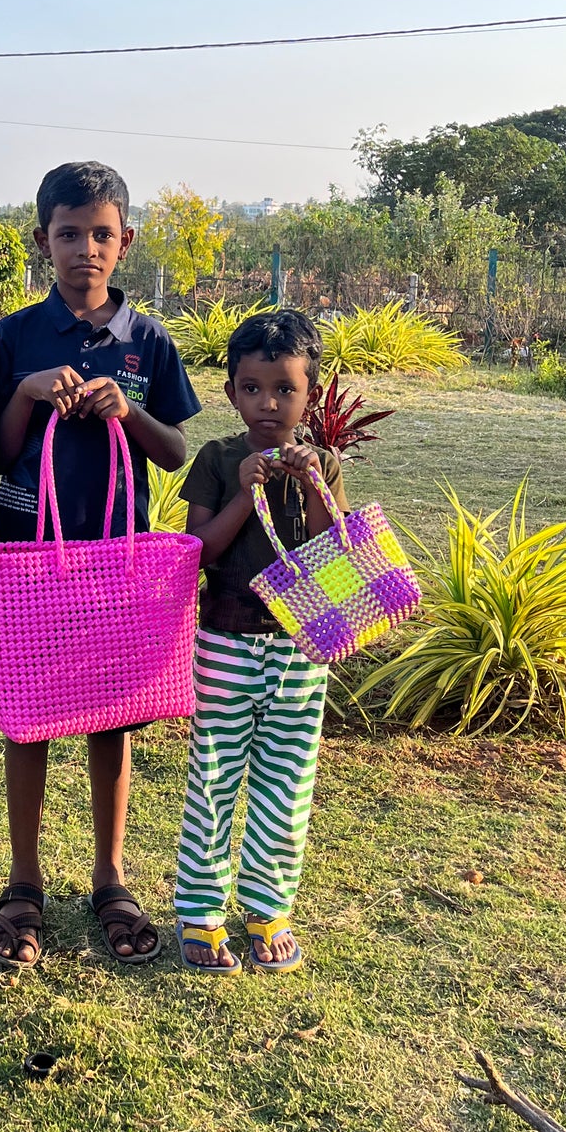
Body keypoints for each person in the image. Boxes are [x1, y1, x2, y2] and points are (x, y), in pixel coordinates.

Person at [0, 160, 201, 967]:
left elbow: (173, 451)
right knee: (29, 713)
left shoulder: (147, 339)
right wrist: (28, 391)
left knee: (113, 716)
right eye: (69, 234)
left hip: (116, 558)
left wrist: (125, 407)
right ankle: (24, 878)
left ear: (125, 240)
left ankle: (109, 875)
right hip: (27, 553)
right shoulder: (14, 336)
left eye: (102, 234)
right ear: (42, 240)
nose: (86, 249)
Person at [173, 308, 348, 975]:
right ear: (230, 393)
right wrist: (246, 490)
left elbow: (327, 562)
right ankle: (200, 910)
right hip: (225, 642)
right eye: (251, 388)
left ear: (310, 393)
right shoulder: (217, 460)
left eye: (283, 389)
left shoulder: (323, 465)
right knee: (214, 778)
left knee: (286, 783)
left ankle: (268, 907)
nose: (267, 403)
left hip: (301, 649)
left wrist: (307, 483)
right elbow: (199, 552)